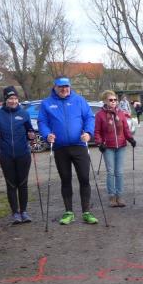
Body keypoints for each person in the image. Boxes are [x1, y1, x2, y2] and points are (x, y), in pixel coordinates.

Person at [37, 77, 98, 225]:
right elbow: (42, 122)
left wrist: (88, 132)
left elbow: (89, 118)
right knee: (65, 179)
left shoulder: (79, 100)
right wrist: (47, 134)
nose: (64, 89)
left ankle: (86, 212)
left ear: (70, 87)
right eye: (61, 87)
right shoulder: (47, 103)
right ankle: (69, 212)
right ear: (55, 87)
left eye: (66, 86)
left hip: (79, 145)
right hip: (60, 147)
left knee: (84, 178)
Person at [0, 87, 37, 223]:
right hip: (6, 154)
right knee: (11, 184)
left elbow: (29, 130)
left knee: (23, 183)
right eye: (11, 98)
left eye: (16, 98)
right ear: (6, 99)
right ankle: (15, 213)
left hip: (23, 154)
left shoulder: (24, 113)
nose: (14, 101)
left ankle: (24, 212)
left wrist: (31, 135)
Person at [94, 89, 135, 208]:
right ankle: (112, 196)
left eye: (115, 100)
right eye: (110, 100)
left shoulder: (121, 113)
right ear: (105, 101)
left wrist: (130, 139)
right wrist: (99, 143)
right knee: (111, 172)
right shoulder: (100, 115)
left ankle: (119, 196)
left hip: (121, 146)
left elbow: (126, 129)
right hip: (108, 147)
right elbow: (97, 131)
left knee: (119, 172)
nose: (113, 102)